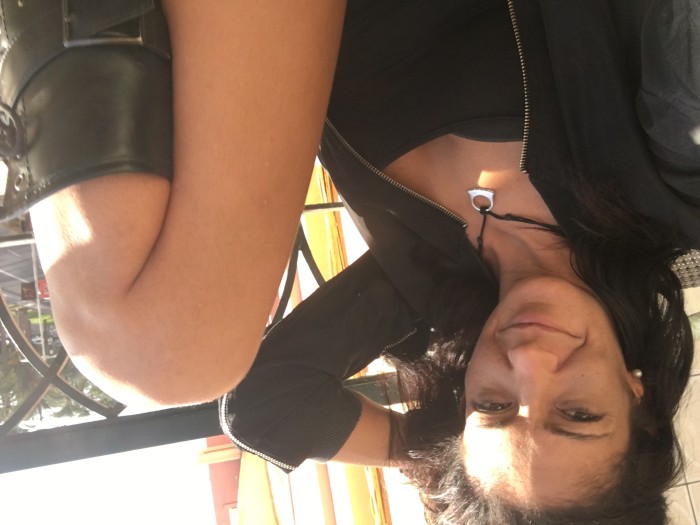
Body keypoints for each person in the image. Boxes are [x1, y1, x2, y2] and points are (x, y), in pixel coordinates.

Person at [0, 0, 697, 523]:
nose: (529, 360)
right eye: (577, 412)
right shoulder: (664, 187)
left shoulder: (428, 285)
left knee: (164, 357)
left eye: (493, 406)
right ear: (639, 398)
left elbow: (266, 404)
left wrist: (431, 451)